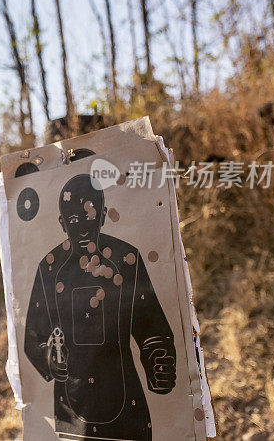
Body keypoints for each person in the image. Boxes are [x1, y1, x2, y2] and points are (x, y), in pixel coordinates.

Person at [22, 174, 176, 440]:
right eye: (73, 220)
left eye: (89, 216)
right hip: (71, 409)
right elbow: (34, 335)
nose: (82, 228)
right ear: (62, 223)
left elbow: (150, 323)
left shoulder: (127, 259)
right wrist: (49, 358)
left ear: (103, 215)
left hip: (126, 403)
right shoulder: (49, 267)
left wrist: (158, 360)